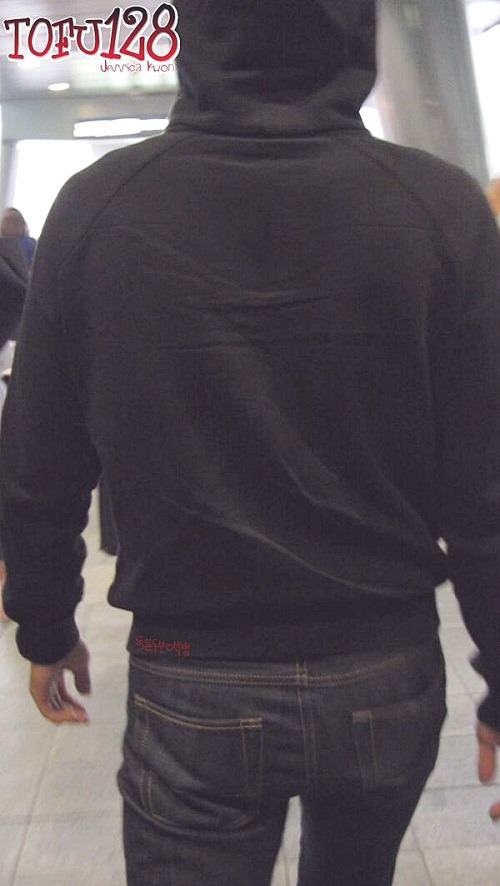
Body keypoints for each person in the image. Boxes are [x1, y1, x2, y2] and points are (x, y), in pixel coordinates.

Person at [1, 2, 499, 884]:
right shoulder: (442, 208)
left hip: (191, 671)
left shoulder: (99, 206)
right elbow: (486, 485)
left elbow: (38, 461)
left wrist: (45, 624)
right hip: (383, 666)